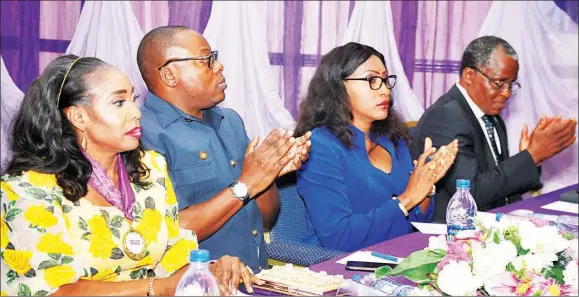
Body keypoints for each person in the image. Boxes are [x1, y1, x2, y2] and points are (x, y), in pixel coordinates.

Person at [0, 55, 263, 296]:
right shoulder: (27, 190)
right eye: (118, 102)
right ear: (78, 116)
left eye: (133, 100)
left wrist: (206, 270)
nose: (136, 113)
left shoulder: (150, 171)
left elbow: (175, 260)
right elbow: (56, 291)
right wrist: (156, 288)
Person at [136, 26, 311, 273]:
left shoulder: (230, 121)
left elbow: (265, 219)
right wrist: (246, 184)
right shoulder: (142, 134)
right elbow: (169, 233)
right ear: (170, 75)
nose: (219, 67)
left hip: (256, 277)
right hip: (196, 284)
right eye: (207, 60)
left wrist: (267, 174)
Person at [293, 42, 459, 252]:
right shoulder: (319, 147)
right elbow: (339, 237)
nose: (384, 90)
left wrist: (425, 185)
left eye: (385, 80)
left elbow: (417, 220)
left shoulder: (392, 139)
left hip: (398, 255)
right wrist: (407, 199)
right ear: (338, 86)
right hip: (338, 266)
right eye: (372, 80)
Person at [411, 36, 577, 222]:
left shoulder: (492, 117)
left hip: (490, 222)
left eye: (511, 84)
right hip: (452, 231)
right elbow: (471, 193)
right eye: (499, 83)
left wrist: (531, 161)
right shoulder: (446, 117)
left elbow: (498, 187)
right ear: (469, 76)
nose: (506, 93)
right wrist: (530, 156)